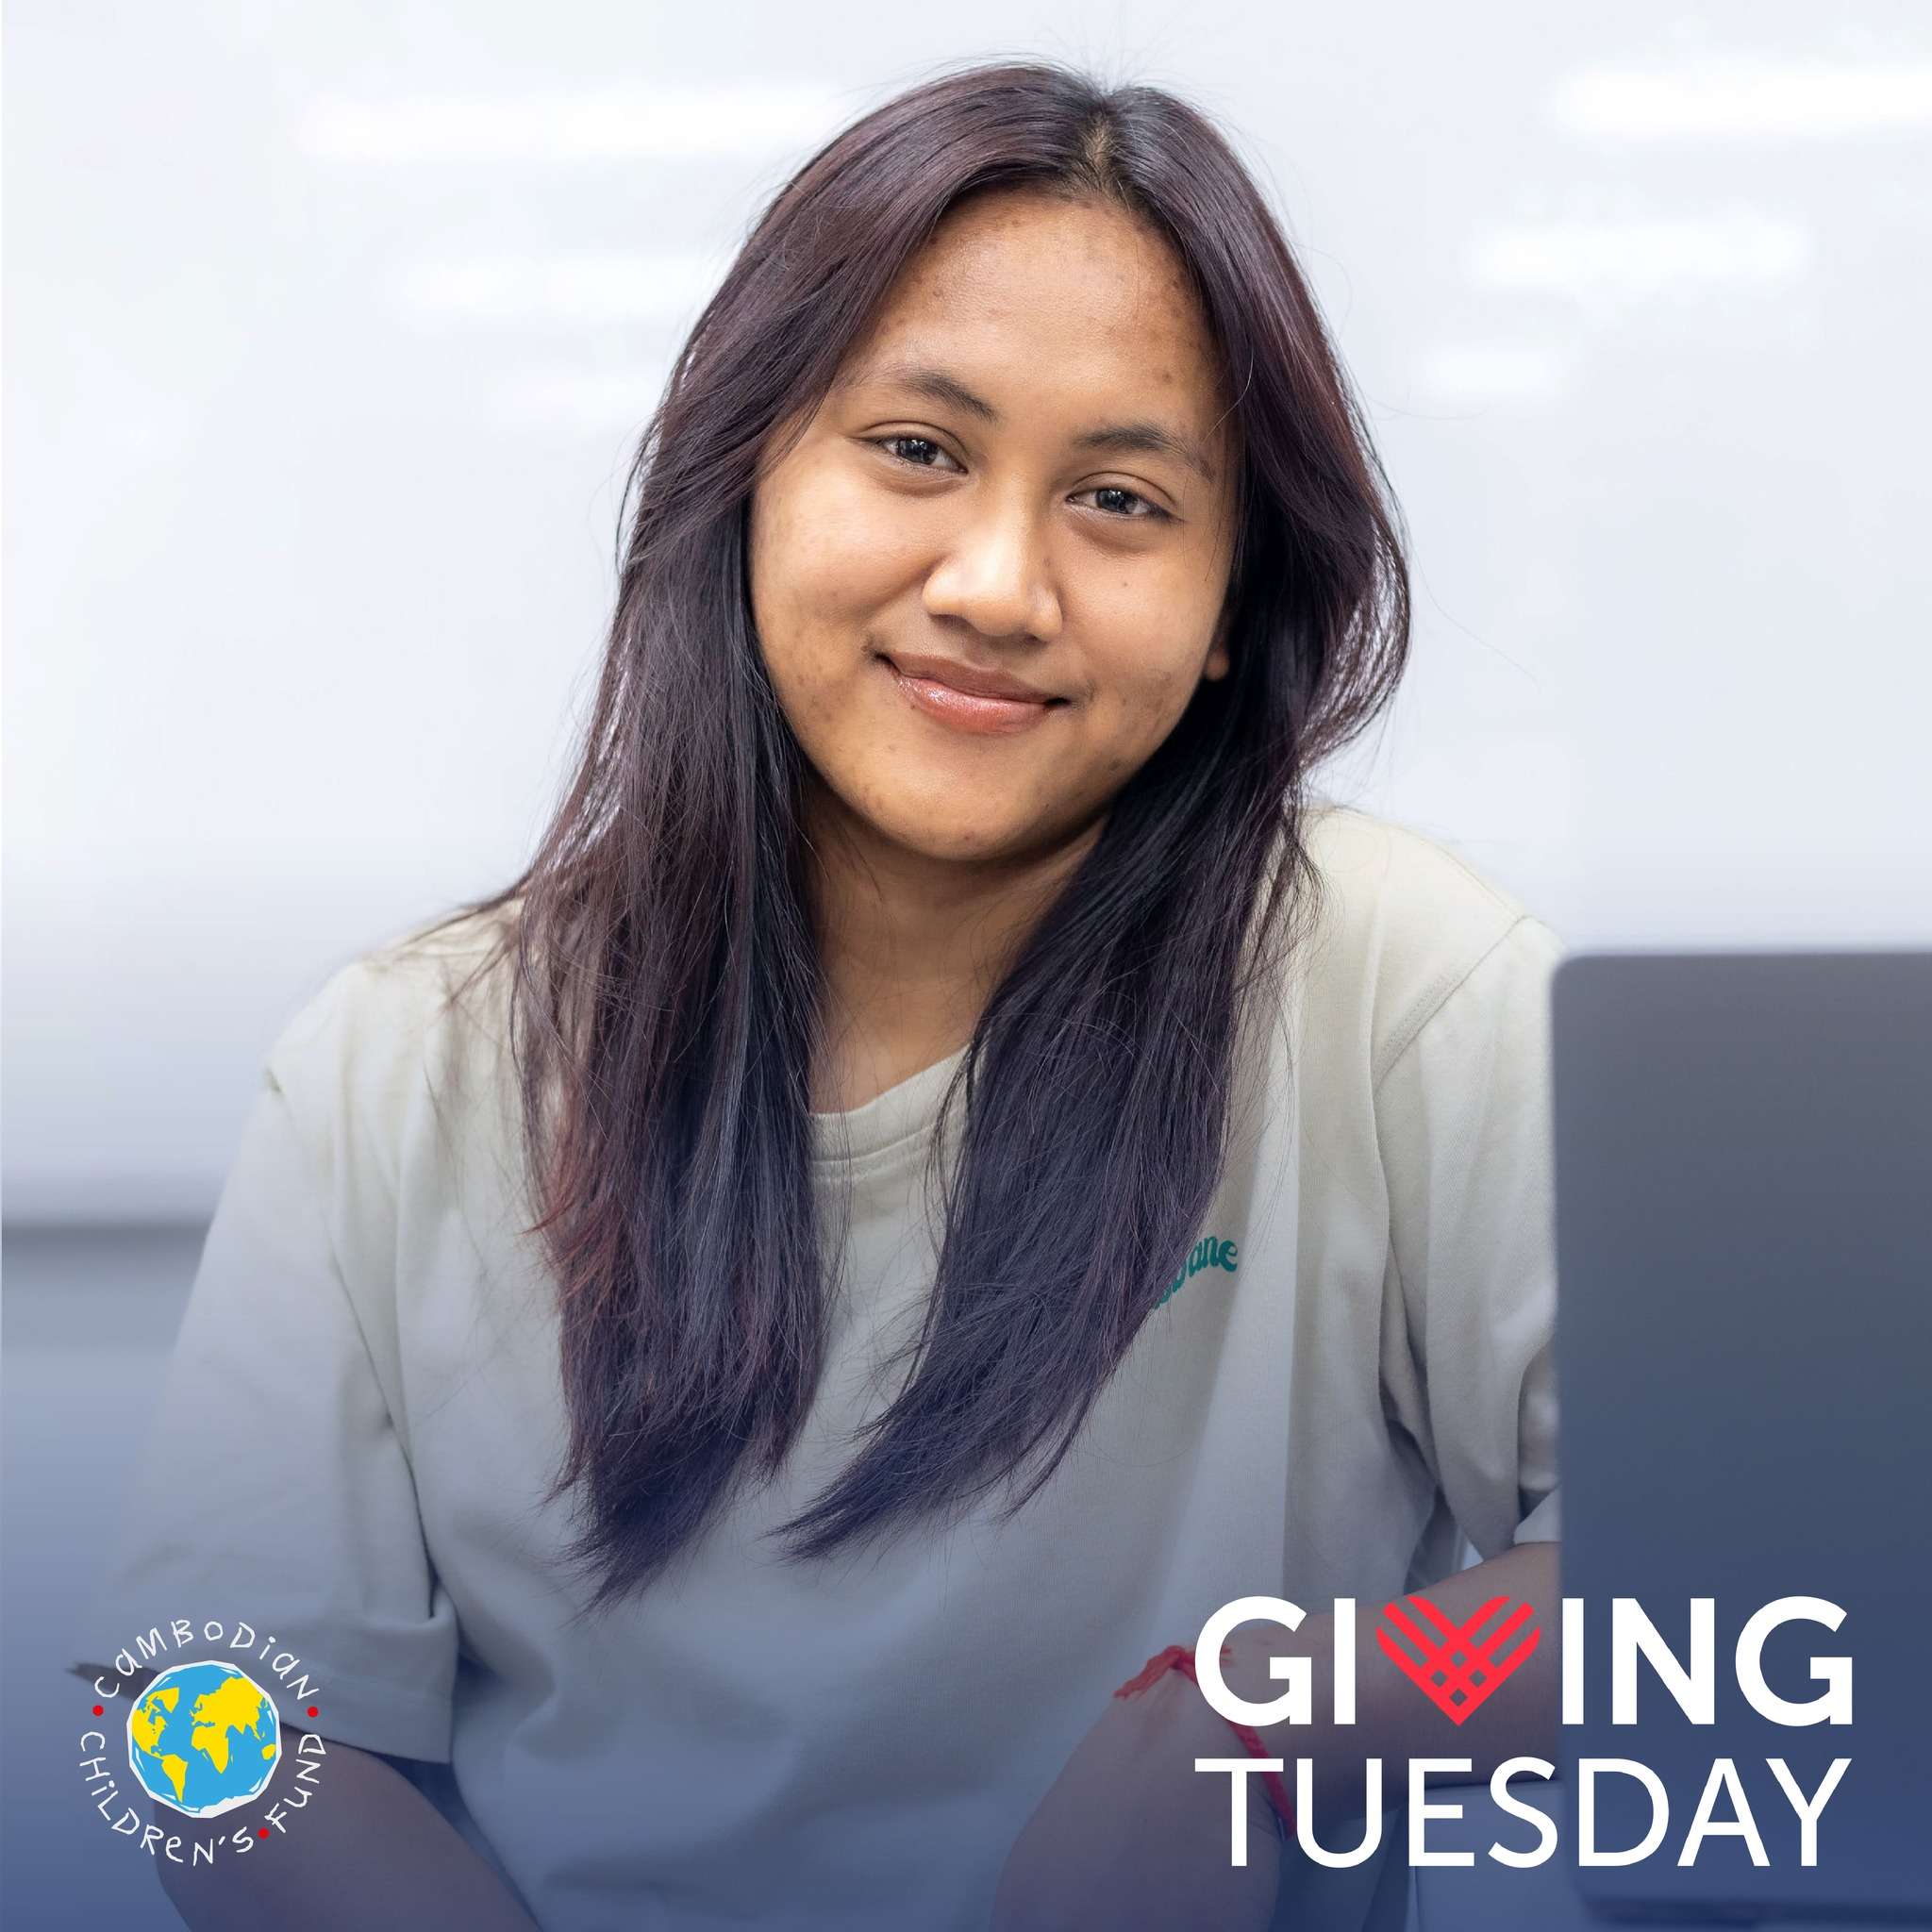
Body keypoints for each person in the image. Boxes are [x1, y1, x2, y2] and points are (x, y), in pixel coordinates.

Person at [73, 57, 1564, 1932]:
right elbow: (182, 1732)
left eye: (1119, 498)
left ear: (1225, 615)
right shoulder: (402, 1062)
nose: (998, 585)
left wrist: (1265, 1718)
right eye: (918, 450)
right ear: (749, 477)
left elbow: (1722, 1586)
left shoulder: (1403, 991)